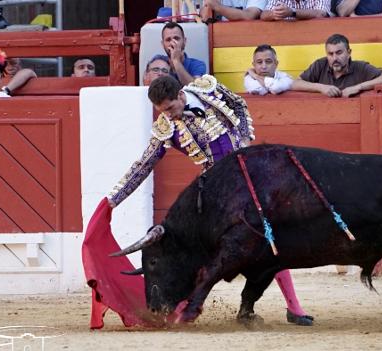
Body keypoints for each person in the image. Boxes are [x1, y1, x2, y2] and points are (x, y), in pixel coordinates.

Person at [84, 74, 314, 328]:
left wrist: (244, 139)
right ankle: (184, 305)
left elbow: (238, 103)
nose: (168, 116)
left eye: (170, 108)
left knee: (272, 239)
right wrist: (113, 200)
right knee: (208, 249)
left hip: (250, 175)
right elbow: (143, 165)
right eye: (162, 112)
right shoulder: (166, 128)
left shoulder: (208, 88)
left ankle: (293, 307)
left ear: (181, 95)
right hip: (219, 191)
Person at [291, 34, 382, 98]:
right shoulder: (320, 64)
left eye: (339, 52)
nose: (335, 58)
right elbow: (294, 84)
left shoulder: (360, 67)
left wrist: (358, 87)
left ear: (349, 53)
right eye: (330, 54)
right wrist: (321, 87)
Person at [261, 0, 330, 20]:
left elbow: (322, 13)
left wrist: (292, 12)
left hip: (315, 36)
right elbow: (264, 15)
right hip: (285, 38)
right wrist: (275, 13)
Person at [202, 0, 267, 20]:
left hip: (247, 38)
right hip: (220, 40)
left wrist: (217, 7)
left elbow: (249, 15)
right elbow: (206, 17)